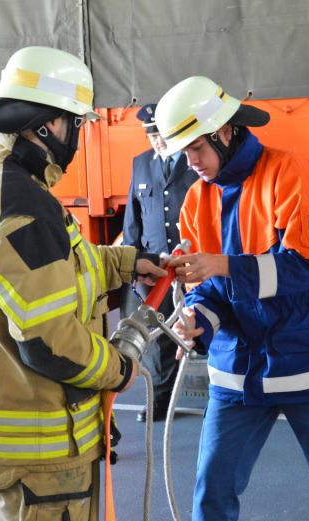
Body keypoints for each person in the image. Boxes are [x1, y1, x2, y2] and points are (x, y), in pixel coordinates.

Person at [0, 46, 165, 521]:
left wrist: (129, 263)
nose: (78, 137)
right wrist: (118, 366)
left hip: (2, 433)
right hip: (39, 448)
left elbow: (58, 269)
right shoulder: (21, 200)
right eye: (75, 124)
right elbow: (49, 339)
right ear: (47, 126)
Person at [160, 76, 309, 521]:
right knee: (212, 492)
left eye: (196, 149)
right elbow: (211, 290)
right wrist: (196, 321)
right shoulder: (195, 198)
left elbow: (306, 270)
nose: (191, 163)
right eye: (182, 153)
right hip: (238, 372)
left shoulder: (288, 171)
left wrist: (221, 263)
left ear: (224, 132)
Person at [120, 103, 199, 422]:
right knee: (158, 336)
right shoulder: (141, 164)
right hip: (158, 266)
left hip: (194, 261)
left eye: (162, 134)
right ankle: (161, 401)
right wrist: (132, 260)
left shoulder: (195, 162)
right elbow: (132, 218)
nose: (157, 141)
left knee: (205, 324)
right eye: (151, 135)